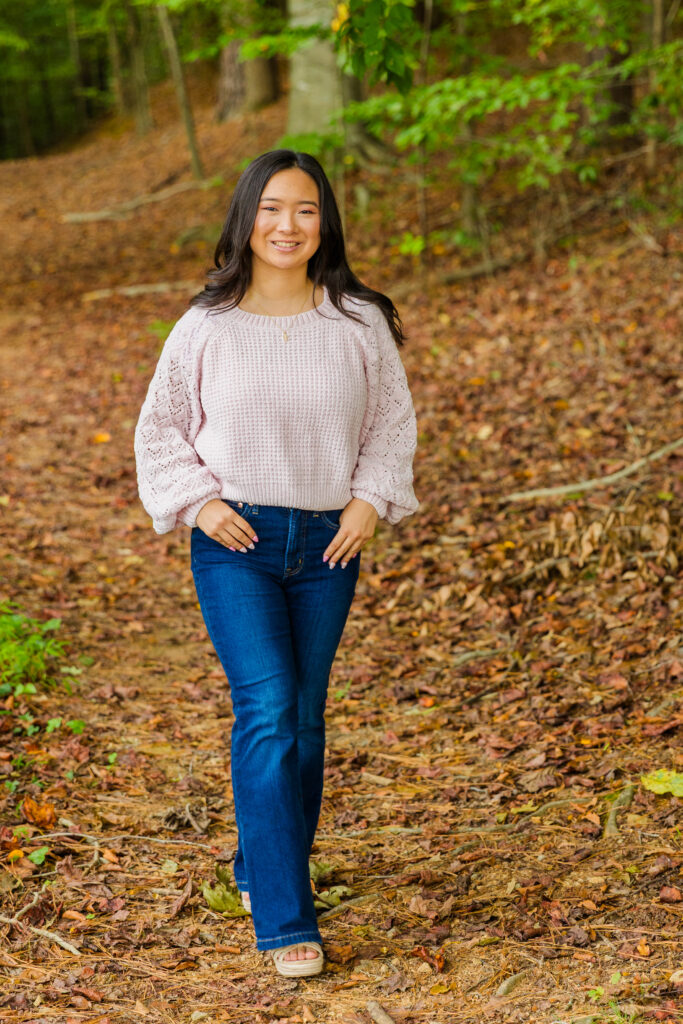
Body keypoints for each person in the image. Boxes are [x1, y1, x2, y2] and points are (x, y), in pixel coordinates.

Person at [134, 149, 419, 977]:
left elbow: (391, 425)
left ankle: (262, 866)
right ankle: (286, 920)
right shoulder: (205, 326)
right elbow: (160, 430)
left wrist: (370, 499)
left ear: (322, 220)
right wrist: (199, 501)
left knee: (304, 717)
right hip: (238, 546)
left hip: (329, 543)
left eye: (302, 209)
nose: (285, 225)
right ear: (245, 219)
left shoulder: (356, 320)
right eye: (270, 209)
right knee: (267, 709)